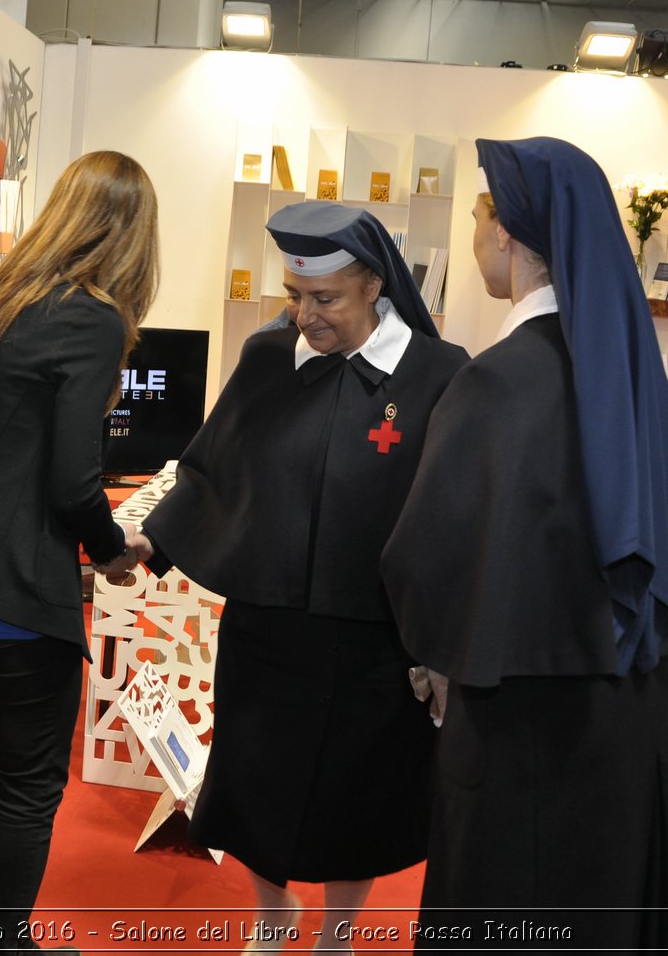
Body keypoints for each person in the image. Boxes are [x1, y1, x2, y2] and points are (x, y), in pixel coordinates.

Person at [134, 201, 470, 953]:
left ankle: (337, 933)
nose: (303, 314)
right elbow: (212, 465)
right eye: (294, 295)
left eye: (325, 299)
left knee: (362, 794)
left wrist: (443, 637)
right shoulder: (266, 357)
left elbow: (457, 511)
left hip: (378, 632)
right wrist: (150, 540)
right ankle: (271, 914)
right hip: (270, 619)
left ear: (375, 286)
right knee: (258, 782)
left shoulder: (438, 372)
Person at [382, 136, 668, 951]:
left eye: (481, 213)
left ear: (510, 237)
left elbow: (425, 556)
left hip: (519, 718)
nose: (479, 231)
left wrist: (433, 657)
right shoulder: (631, 381)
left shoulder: (494, 382)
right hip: (621, 707)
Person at [0, 150, 160, 954]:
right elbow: (74, 480)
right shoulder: (90, 317)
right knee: (31, 777)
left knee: (13, 766)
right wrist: (114, 547)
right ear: (130, 236)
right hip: (14, 587)